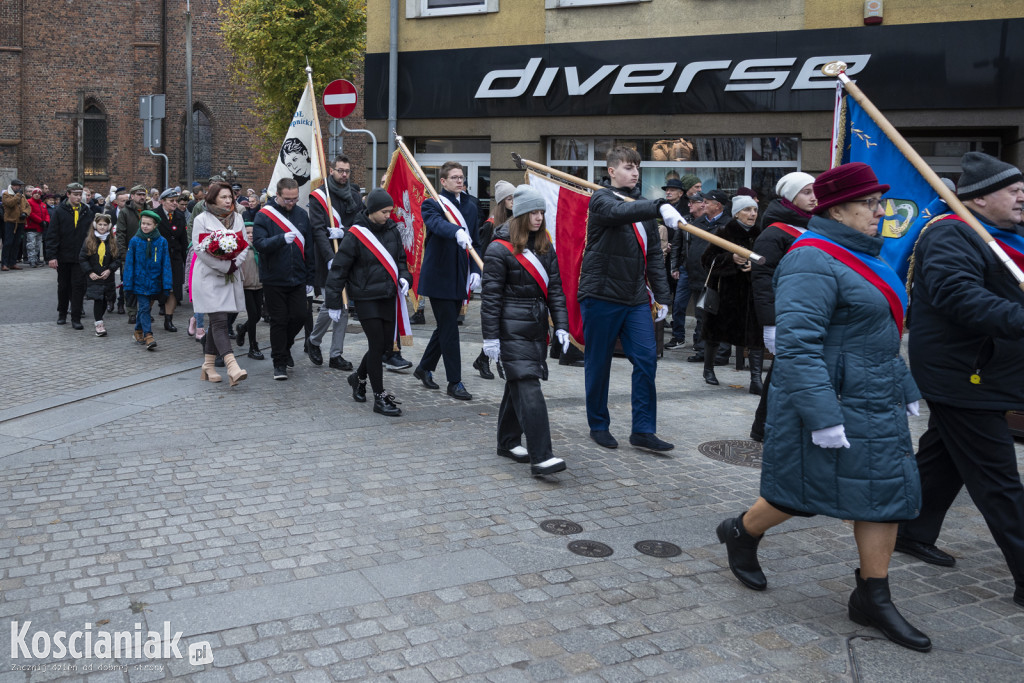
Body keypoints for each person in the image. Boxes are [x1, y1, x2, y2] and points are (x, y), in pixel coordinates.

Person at [716, 163, 930, 652]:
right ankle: (742, 533)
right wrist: (824, 416)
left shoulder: (865, 257)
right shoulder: (812, 259)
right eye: (870, 204)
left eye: (880, 202)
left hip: (874, 397)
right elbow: (798, 347)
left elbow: (879, 337)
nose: (881, 212)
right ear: (838, 208)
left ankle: (873, 596)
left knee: (885, 494)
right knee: (800, 494)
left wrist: (906, 385)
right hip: (831, 400)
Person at [897, 152, 1024, 609]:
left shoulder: (1007, 237)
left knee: (944, 457)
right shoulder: (953, 233)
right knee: (999, 480)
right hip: (963, 375)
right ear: (980, 197)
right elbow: (960, 297)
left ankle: (911, 530)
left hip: (984, 371)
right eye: (1012, 189)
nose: (1022, 195)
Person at [579, 146, 674, 452]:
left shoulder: (644, 207)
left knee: (646, 359)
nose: (634, 173)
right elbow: (618, 213)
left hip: (634, 298)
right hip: (601, 295)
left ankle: (643, 430)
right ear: (611, 171)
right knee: (599, 363)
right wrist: (658, 206)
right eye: (628, 167)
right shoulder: (602, 199)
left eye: (637, 168)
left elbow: (655, 259)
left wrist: (663, 297)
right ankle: (598, 424)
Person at [481, 185, 570, 476]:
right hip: (509, 329)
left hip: (535, 327)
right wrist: (490, 337)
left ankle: (507, 442)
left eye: (541, 212)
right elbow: (491, 298)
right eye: (533, 212)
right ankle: (541, 456)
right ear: (519, 214)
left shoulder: (545, 245)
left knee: (517, 383)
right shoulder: (498, 249)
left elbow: (555, 289)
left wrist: (562, 327)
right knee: (529, 387)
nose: (539, 218)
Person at [325, 189, 410, 417]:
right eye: (384, 212)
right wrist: (333, 302)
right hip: (365, 296)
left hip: (388, 295)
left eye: (390, 211)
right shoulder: (355, 234)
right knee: (376, 344)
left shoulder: (392, 230)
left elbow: (401, 260)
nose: (388, 216)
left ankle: (358, 378)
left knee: (383, 346)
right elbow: (339, 269)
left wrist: (404, 277)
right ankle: (379, 397)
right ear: (371, 211)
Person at [749, 171, 817, 442]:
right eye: (806, 192)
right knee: (780, 375)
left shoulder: (814, 224)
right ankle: (762, 427)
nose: (814, 197)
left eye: (815, 191)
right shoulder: (774, 233)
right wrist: (770, 323)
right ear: (790, 196)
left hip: (810, 312)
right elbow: (762, 279)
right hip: (787, 315)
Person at [412, 161, 481, 401]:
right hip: (439, 276)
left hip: (460, 276)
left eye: (461, 177)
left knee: (445, 326)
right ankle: (455, 382)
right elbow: (435, 224)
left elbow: (476, 243)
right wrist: (455, 231)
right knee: (450, 329)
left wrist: (476, 271)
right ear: (443, 181)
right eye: (454, 177)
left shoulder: (471, 207)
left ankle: (423, 368)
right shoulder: (432, 204)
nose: (459, 181)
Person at [700, 195, 764, 392]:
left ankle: (756, 379)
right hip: (725, 293)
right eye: (747, 210)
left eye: (754, 210)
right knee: (715, 333)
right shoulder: (723, 233)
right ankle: (708, 369)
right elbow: (706, 260)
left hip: (751, 295)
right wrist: (730, 259)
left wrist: (755, 267)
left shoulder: (761, 235)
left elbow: (769, 261)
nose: (752, 214)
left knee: (755, 336)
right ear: (736, 213)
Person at [253, 177, 315, 380]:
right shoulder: (264, 216)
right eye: (287, 199)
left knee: (299, 316)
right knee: (279, 321)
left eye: (295, 199)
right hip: (274, 278)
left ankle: (285, 347)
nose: (291, 202)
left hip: (297, 277)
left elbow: (309, 249)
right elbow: (260, 245)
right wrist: (280, 239)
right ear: (277, 195)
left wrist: (310, 278)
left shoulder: (301, 215)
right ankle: (279, 362)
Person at [191, 181, 250, 386]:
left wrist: (234, 263)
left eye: (230, 197)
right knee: (219, 321)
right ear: (213, 198)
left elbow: (244, 245)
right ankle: (232, 366)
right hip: (209, 276)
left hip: (230, 275)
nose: (228, 201)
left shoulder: (238, 218)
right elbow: (199, 249)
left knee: (218, 321)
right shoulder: (201, 219)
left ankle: (208, 365)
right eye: (223, 197)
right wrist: (224, 266)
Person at [308, 155, 362, 371]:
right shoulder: (319, 197)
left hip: (349, 255)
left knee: (344, 305)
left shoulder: (355, 197)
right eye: (340, 170)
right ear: (331, 171)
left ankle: (335, 354)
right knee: (333, 303)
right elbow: (318, 230)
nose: (344, 175)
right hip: (327, 257)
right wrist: (330, 258)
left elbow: (360, 225)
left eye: (347, 171)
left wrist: (345, 231)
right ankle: (314, 340)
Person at [472, 180, 515, 380]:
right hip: (495, 280)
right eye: (509, 198)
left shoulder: (517, 220)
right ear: (501, 202)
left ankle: (483, 359)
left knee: (504, 325)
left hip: (511, 280)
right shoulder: (490, 225)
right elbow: (482, 252)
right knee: (497, 324)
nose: (513, 201)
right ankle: (495, 361)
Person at [44, 183, 94, 328]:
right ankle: (62, 313)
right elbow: (52, 235)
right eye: (75, 194)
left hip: (80, 256)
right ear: (68, 194)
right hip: (63, 256)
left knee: (78, 287)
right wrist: (52, 256)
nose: (78, 197)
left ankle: (76, 317)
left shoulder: (86, 211)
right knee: (64, 286)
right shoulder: (60, 211)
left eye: (80, 195)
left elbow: (90, 234)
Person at [122, 210, 172, 351]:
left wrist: (167, 284)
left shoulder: (162, 242)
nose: (145, 226)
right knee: (144, 307)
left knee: (146, 308)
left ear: (155, 225)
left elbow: (166, 264)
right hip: (139, 281)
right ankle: (148, 335)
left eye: (148, 224)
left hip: (154, 281)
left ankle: (138, 330)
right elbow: (129, 264)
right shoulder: (135, 241)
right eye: (143, 223)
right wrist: (128, 284)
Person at [79, 213, 119, 337]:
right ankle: (99, 323)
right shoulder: (89, 241)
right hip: (94, 276)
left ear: (109, 226)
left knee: (106, 299)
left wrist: (110, 270)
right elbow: (82, 258)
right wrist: (90, 272)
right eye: (100, 224)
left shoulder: (112, 241)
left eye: (105, 225)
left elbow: (117, 259)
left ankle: (99, 318)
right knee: (98, 299)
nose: (102, 227)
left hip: (107, 276)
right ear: (95, 225)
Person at [155, 188, 189, 332]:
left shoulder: (180, 216)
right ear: (162, 201)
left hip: (175, 257)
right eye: (171, 201)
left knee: (174, 289)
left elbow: (183, 240)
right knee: (154, 289)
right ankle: (143, 318)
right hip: (159, 258)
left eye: (176, 201)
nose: (175, 204)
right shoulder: (155, 216)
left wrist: (185, 259)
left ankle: (168, 320)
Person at [233, 222, 265, 360]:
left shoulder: (261, 247)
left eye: (253, 232)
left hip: (259, 285)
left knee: (258, 315)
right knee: (253, 315)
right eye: (248, 233)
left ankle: (242, 329)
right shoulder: (240, 249)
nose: (251, 235)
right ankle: (253, 346)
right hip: (245, 286)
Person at [117, 185, 149, 324]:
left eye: (143, 194)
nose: (141, 197)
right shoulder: (125, 212)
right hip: (130, 255)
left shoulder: (149, 211)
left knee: (146, 284)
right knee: (129, 284)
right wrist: (124, 254)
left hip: (146, 254)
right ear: (132, 196)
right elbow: (120, 234)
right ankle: (131, 311)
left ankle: (144, 311)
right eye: (138, 194)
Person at [2, 178, 30, 270]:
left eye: (20, 186)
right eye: (18, 186)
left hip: (20, 222)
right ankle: (4, 264)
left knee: (16, 243)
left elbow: (27, 206)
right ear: (13, 186)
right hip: (10, 222)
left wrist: (25, 213)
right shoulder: (6, 194)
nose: (19, 188)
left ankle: (12, 262)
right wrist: (17, 196)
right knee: (8, 243)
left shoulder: (22, 196)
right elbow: (10, 204)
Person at [25, 186, 49, 268]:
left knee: (37, 245)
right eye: (35, 193)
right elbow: (31, 213)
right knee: (31, 245)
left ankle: (35, 260)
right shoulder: (29, 202)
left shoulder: (43, 204)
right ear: (32, 194)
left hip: (40, 227)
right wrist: (40, 221)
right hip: (32, 226)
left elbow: (46, 214)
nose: (37, 195)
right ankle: (31, 260)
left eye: (38, 194)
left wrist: (46, 221)